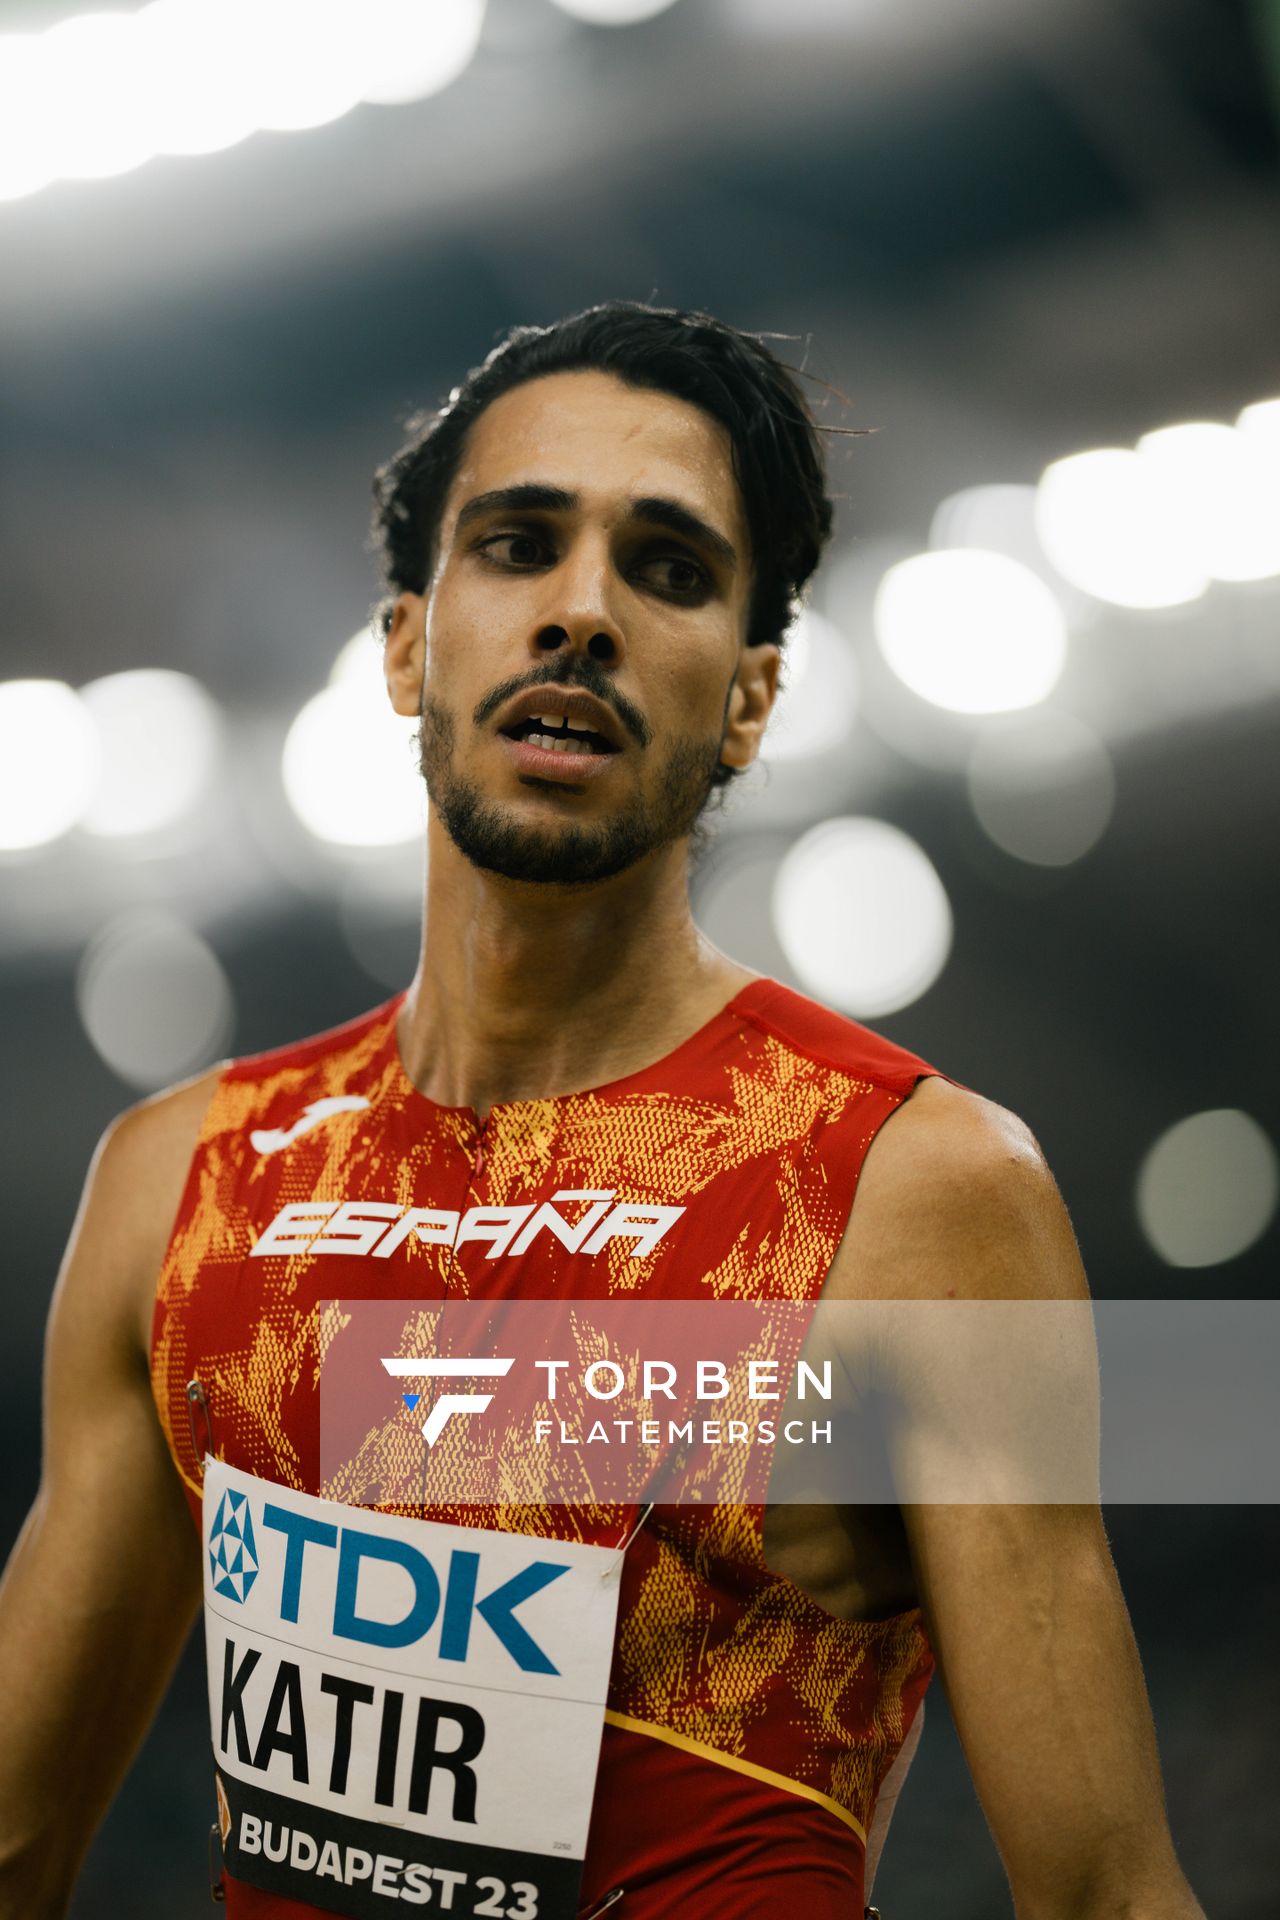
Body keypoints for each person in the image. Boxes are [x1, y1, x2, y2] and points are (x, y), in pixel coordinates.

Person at [0, 303, 1204, 1920]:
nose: (581, 612)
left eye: (670, 568)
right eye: (516, 544)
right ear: (410, 646)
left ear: (752, 701)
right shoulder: (180, 1188)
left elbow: (1107, 1898)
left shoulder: (912, 1192)